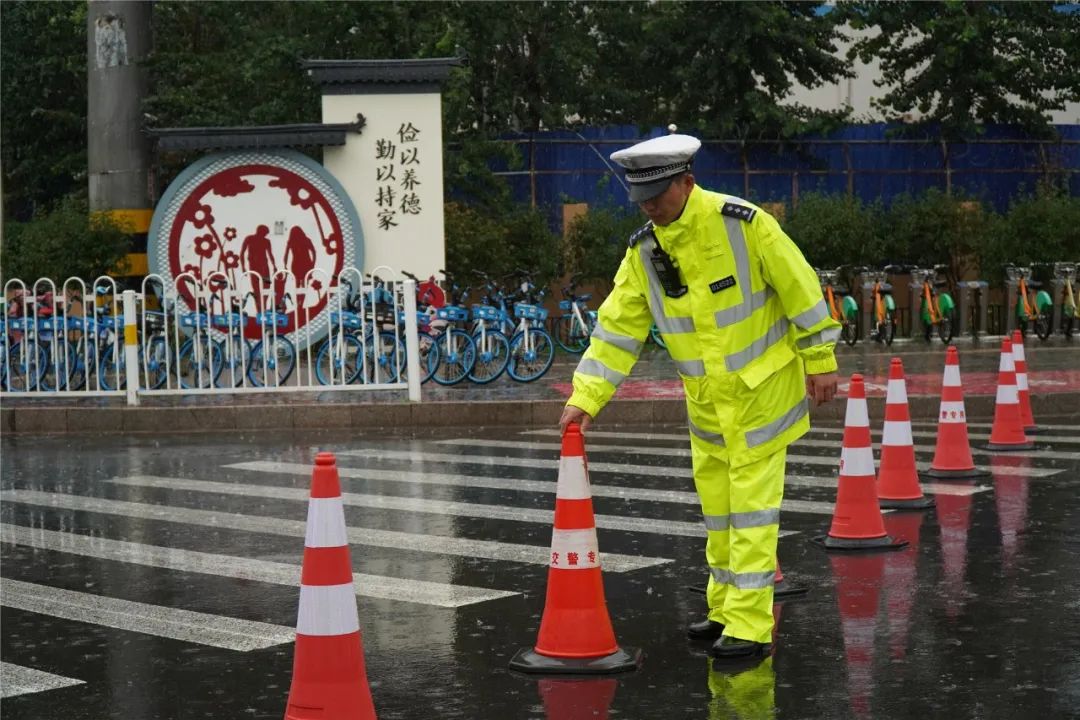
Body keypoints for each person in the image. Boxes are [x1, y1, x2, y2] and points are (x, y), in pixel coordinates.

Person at [558, 134, 840, 660]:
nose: (649, 208)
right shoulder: (646, 251)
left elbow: (802, 288)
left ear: (687, 182)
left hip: (762, 394)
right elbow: (617, 329)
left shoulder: (745, 225)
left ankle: (751, 626)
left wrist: (821, 361)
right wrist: (586, 396)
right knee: (719, 512)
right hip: (708, 404)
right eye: (642, 201)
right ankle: (724, 608)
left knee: (752, 511)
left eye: (658, 197)